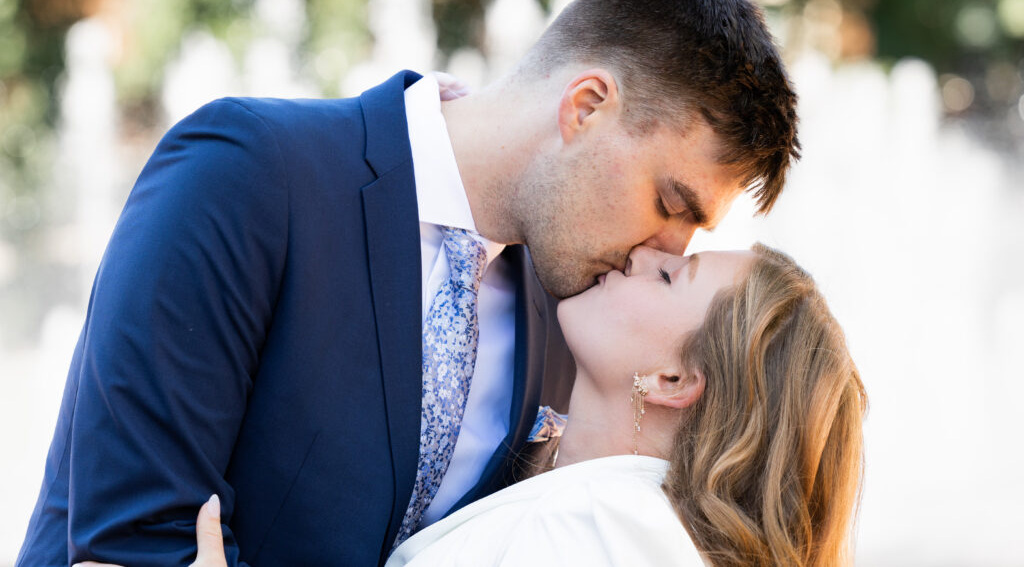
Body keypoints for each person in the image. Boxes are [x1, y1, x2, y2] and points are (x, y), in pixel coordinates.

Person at [19, 0, 799, 566]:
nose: (665, 252)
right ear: (587, 105)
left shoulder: (576, 321)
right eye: (671, 203)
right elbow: (131, 542)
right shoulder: (247, 172)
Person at [80, 243, 865, 567]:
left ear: (673, 381)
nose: (646, 250)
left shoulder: (592, 532)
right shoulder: (596, 517)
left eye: (673, 276)